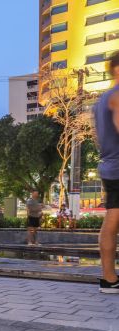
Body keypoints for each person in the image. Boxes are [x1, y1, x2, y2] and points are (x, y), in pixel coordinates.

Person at [95, 51, 119, 292]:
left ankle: (109, 279)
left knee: (112, 219)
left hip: (110, 165)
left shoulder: (103, 99)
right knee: (113, 220)